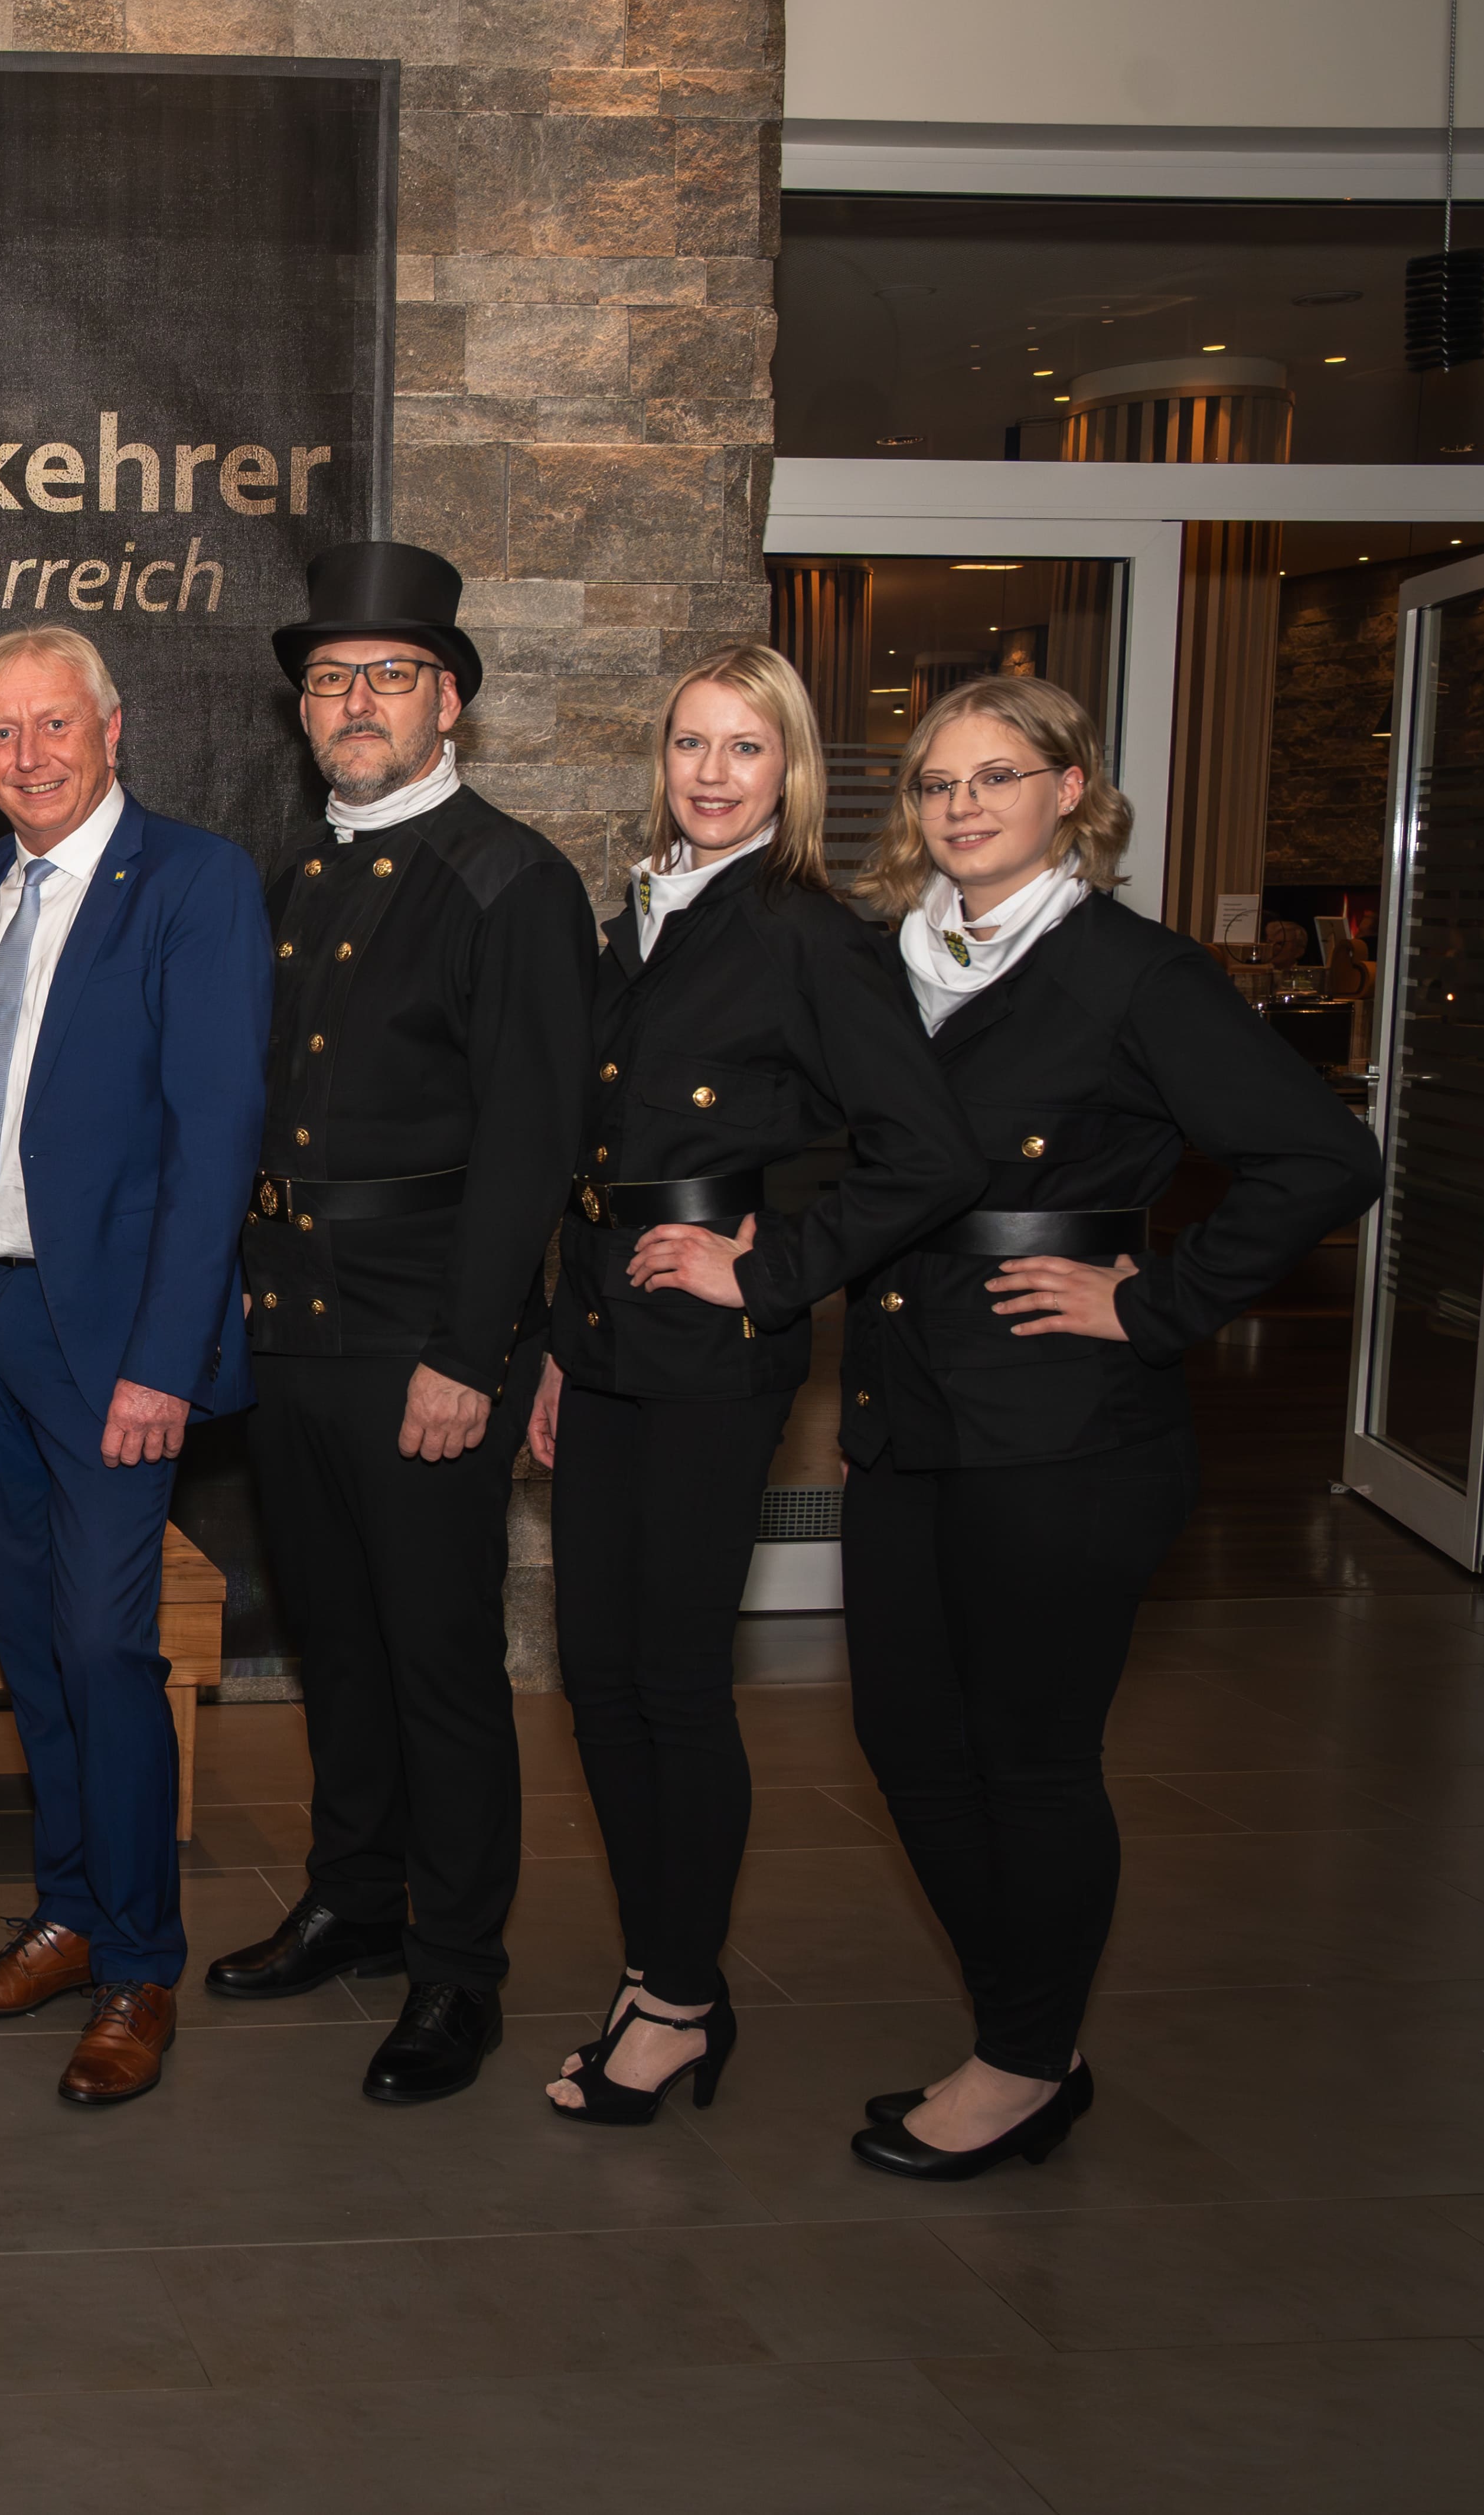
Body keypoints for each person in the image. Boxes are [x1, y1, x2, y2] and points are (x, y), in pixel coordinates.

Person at [842, 674, 1379, 2180]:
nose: (960, 805)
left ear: (1069, 790)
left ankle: (1018, 2063)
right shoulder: (888, 962)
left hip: (1061, 1426)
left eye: (995, 775)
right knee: (905, 1742)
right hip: (903, 1405)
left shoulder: (1131, 971)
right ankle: (1030, 2032)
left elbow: (1321, 1157)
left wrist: (1153, 1301)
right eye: (937, 781)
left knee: (1027, 1757)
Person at [521, 645, 980, 2125]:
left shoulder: (808, 933)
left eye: (744, 746)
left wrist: (766, 1268)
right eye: (689, 744)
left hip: (711, 1358)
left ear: (790, 769)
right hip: (602, 1338)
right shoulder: (633, 923)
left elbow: (925, 1153)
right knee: (595, 1677)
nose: (711, 773)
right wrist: (557, 1339)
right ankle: (661, 1969)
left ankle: (674, 1999)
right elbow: (590, 1161)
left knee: (667, 1678)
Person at [211, 542, 587, 2108]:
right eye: (328, 680)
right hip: (290, 1325)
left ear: (449, 701)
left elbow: (531, 1143)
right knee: (334, 1643)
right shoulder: (289, 877)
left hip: (418, 1332)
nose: (354, 702)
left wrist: (468, 1350)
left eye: (387, 675)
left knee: (438, 1659)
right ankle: (354, 1894)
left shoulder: (510, 881)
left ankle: (458, 1964)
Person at [0, 627, 269, 2110]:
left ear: (111, 729)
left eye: (53, 725)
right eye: (1, 733)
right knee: (26, 1636)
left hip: (115, 1344)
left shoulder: (191, 881)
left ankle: (137, 1962)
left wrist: (163, 1362)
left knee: (104, 1646)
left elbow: (215, 1142)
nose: (29, 756)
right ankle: (66, 1912)